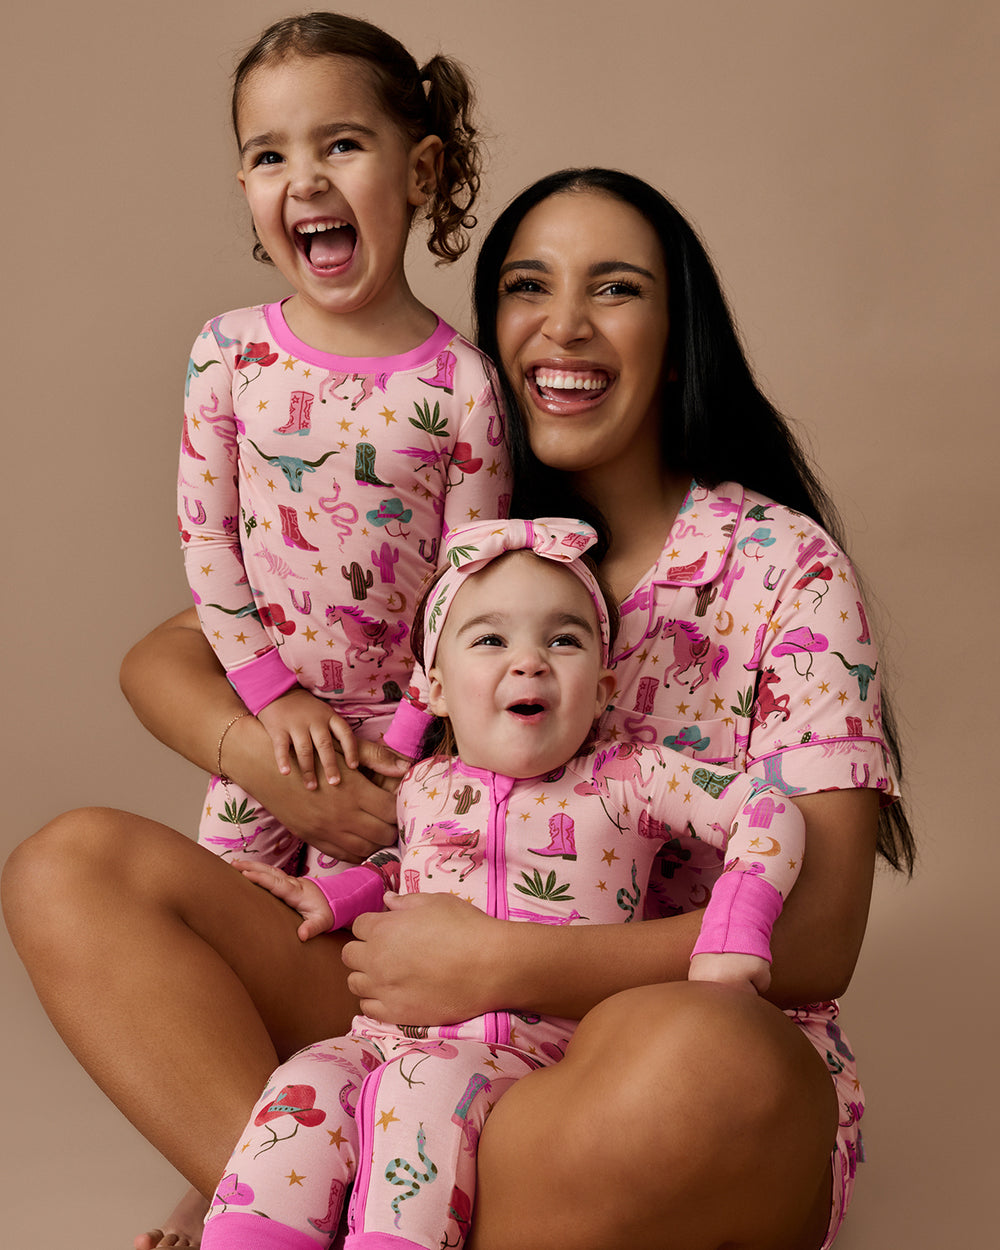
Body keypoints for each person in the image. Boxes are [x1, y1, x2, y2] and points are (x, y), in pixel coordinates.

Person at [2, 167, 914, 1250]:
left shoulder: (778, 563)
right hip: (417, 1030)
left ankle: (305, 1205)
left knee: (706, 1053)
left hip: (638, 1066)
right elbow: (168, 655)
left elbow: (815, 942)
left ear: (679, 336)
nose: (563, 324)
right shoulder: (462, 533)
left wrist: (504, 960)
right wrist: (281, 766)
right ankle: (297, 1187)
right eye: (528, 286)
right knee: (72, 867)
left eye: (614, 288)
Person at [199, 517, 805, 1250]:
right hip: (386, 1037)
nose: (530, 662)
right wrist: (331, 896)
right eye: (491, 640)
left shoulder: (629, 780)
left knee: (419, 1091)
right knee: (307, 1084)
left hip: (528, 1062)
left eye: (564, 640)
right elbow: (410, 872)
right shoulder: (421, 786)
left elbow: (765, 810)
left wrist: (734, 929)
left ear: (604, 686)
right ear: (434, 689)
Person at [178, 10, 510, 878]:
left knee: (364, 974)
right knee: (222, 936)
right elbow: (207, 540)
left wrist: (404, 738)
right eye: (269, 156)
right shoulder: (229, 353)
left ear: (421, 170)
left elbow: (470, 591)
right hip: (270, 734)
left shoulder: (464, 387)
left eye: (342, 145)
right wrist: (270, 698)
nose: (306, 180)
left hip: (413, 756)